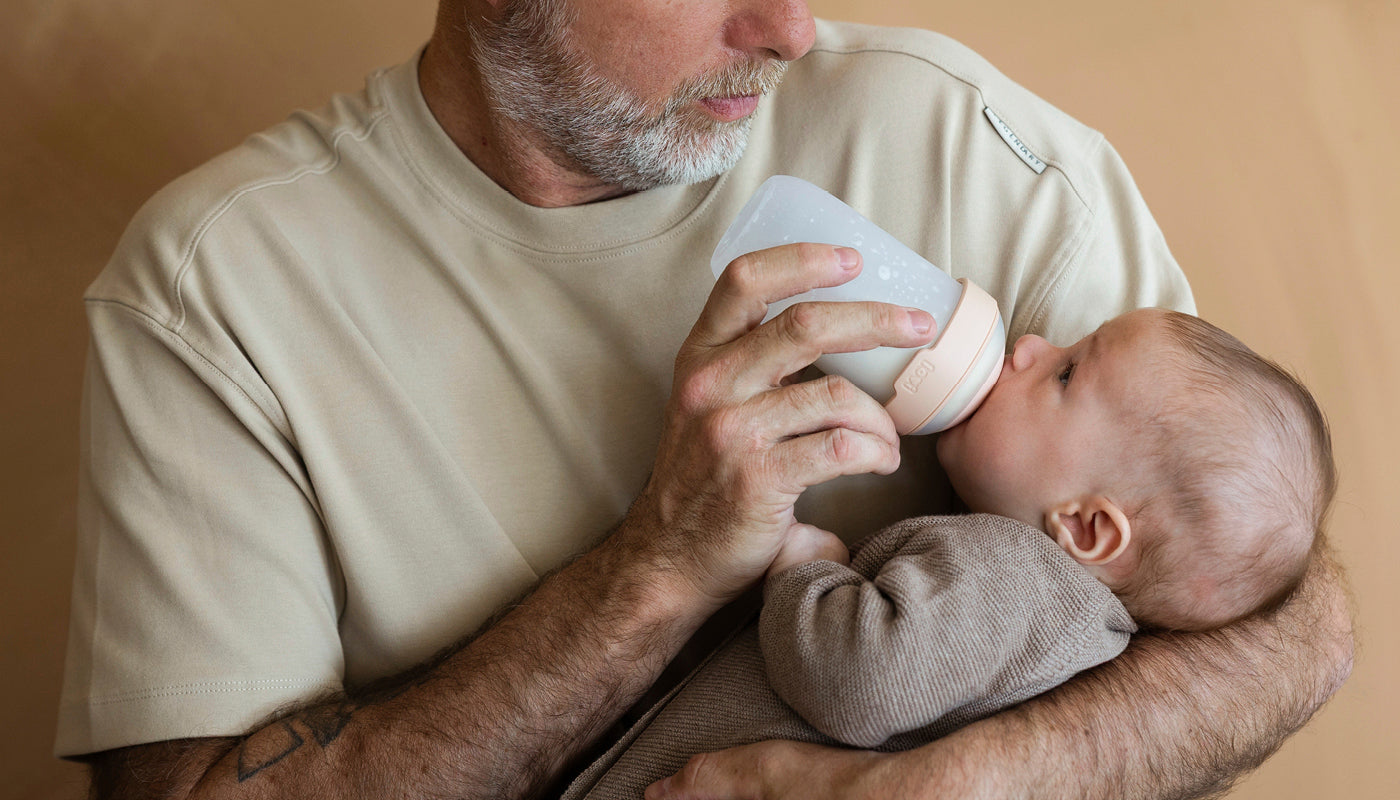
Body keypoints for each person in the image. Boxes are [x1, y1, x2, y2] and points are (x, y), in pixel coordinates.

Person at [58, 1, 1352, 798]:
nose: (789, 26)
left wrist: (978, 781)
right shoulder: (217, 288)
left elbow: (1286, 616)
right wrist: (658, 568)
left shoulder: (963, 140)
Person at [562, 307, 1338, 799]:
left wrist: (807, 568)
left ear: (1088, 530)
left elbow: (860, 679)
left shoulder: (1020, 579)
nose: (1031, 344)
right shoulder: (1052, 611)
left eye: (1066, 373)